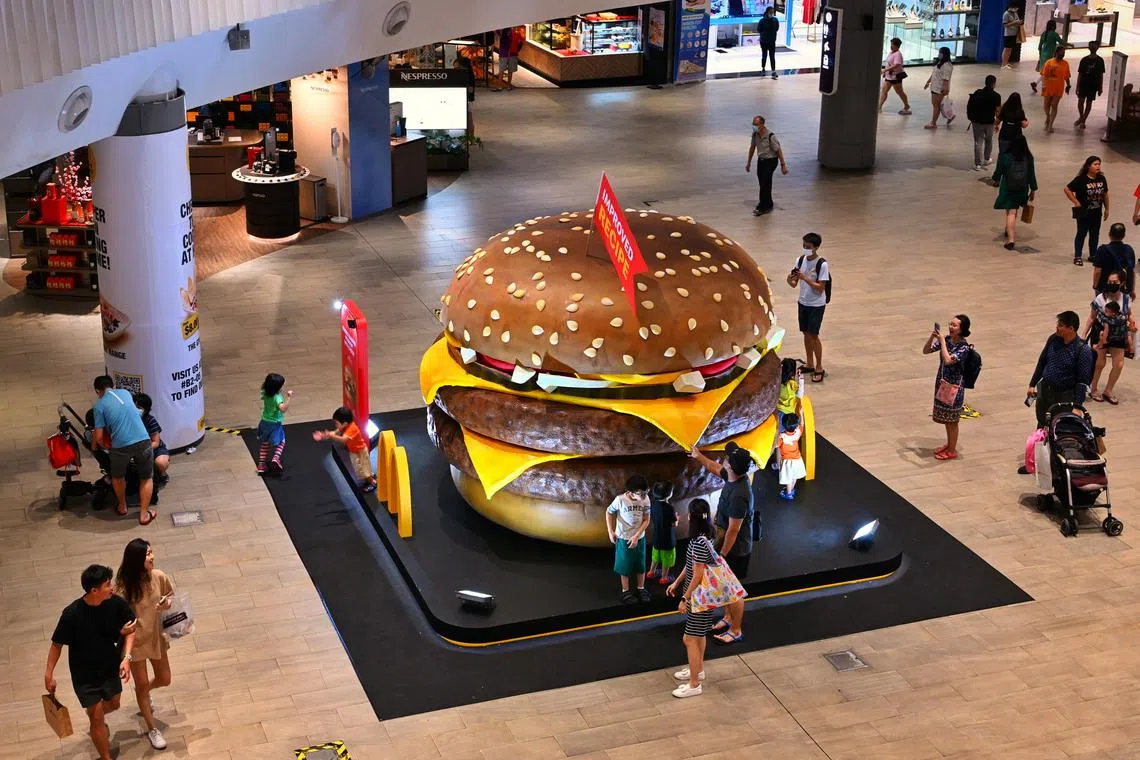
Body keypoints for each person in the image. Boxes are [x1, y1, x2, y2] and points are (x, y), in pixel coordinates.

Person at [45, 565, 137, 760]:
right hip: (83, 673)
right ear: (94, 590)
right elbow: (57, 644)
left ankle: (96, 717)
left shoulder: (115, 604)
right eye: (107, 585)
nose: (112, 588)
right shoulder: (71, 614)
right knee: (96, 717)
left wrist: (127, 659)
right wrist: (49, 673)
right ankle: (106, 756)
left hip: (109, 665)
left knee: (114, 704)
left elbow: (132, 628)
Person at [687, 442, 753, 645]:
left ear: (732, 468)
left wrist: (721, 556)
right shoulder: (733, 478)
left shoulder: (739, 495)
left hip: (735, 549)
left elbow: (733, 530)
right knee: (726, 588)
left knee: (734, 592)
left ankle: (736, 629)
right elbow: (716, 468)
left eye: (727, 460)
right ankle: (727, 617)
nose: (723, 461)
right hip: (724, 544)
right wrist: (698, 456)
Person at [665, 498, 729, 698]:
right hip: (700, 595)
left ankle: (694, 685)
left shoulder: (698, 542)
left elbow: (699, 573)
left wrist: (685, 598)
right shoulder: (704, 537)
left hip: (699, 597)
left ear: (691, 517)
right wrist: (677, 582)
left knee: (689, 639)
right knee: (699, 635)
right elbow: (692, 566)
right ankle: (697, 671)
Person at [114, 539, 173, 750]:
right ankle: (151, 728)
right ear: (137, 559)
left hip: (156, 637)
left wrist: (166, 603)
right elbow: (117, 616)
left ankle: (144, 695)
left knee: (164, 679)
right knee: (141, 685)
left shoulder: (158, 576)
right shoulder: (123, 589)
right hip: (136, 644)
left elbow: (169, 595)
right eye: (148, 553)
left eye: (151, 552)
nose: (152, 556)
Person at [91, 375, 156, 524]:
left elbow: (99, 436)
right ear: (112, 386)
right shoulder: (126, 393)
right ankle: (144, 515)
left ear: (97, 391)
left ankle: (122, 506)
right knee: (146, 477)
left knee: (118, 476)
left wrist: (107, 446)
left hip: (120, 445)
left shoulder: (99, 406)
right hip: (143, 439)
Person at [1024, 311, 1096, 437]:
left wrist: (1078, 406)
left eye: (1061, 325)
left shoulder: (1082, 350)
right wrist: (1032, 384)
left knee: (1060, 429)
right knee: (1042, 424)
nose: (1057, 327)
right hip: (1045, 390)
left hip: (1064, 396)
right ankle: (1041, 450)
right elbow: (1042, 361)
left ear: (1071, 328)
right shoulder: (1053, 339)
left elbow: (1082, 380)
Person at [923, 315, 973, 460]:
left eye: (955, 325)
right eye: (950, 324)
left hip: (954, 387)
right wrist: (932, 338)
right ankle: (949, 445)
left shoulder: (963, 347)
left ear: (962, 329)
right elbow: (926, 351)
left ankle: (952, 450)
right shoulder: (948, 340)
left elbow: (948, 360)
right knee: (946, 420)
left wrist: (942, 342)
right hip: (942, 384)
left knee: (953, 421)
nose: (951, 327)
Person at [787, 232, 830, 382]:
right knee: (805, 333)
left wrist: (805, 278)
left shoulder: (822, 264)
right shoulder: (799, 260)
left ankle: (819, 367)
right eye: (804, 246)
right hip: (803, 302)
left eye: (809, 247)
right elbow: (793, 284)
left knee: (813, 335)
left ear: (816, 247)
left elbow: (820, 287)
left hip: (816, 304)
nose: (805, 249)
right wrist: (791, 279)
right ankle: (809, 363)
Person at [1084, 273, 1133, 403]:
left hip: (1118, 336)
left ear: (1121, 283)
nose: (1111, 284)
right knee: (1100, 363)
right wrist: (1084, 334)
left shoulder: (1126, 299)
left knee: (1119, 364)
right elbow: (1092, 317)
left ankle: (1108, 390)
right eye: (1109, 281)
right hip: (1101, 334)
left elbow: (1129, 315)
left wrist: (1134, 325)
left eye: (1115, 282)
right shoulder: (1101, 298)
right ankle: (1093, 389)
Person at [605, 475, 651, 604]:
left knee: (640, 564)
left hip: (639, 538)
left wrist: (637, 536)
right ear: (630, 492)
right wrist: (610, 531)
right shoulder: (620, 500)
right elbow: (609, 512)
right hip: (624, 537)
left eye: (645, 492)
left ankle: (641, 588)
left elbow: (646, 519)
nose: (643, 496)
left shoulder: (645, 499)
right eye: (640, 494)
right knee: (624, 566)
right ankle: (625, 590)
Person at [313, 407, 377, 492]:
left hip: (360, 451)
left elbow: (343, 439)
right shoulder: (344, 426)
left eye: (337, 423)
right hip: (354, 451)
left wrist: (332, 436)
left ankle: (372, 482)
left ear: (345, 423)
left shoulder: (352, 428)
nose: (336, 425)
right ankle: (368, 477)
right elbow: (335, 432)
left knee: (363, 469)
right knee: (360, 469)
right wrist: (324, 435)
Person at [991, 135, 1037, 250]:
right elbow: (1031, 174)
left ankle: (1011, 240)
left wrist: (995, 178)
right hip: (1022, 188)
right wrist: (1033, 189)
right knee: (1014, 210)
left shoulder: (1005, 157)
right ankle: (1007, 228)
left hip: (1008, 187)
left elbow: (998, 172)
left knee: (1011, 211)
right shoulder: (1028, 157)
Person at [1064, 155, 1110, 266]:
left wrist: (1107, 209)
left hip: (1096, 212)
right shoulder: (1081, 179)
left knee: (1095, 234)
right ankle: (1078, 256)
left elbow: (1105, 195)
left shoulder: (1101, 178)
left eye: (1099, 164)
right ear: (1088, 166)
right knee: (1081, 234)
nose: (1098, 166)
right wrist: (1075, 201)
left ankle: (1093, 255)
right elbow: (1067, 189)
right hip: (1084, 213)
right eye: (1095, 164)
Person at [745, 115, 788, 217]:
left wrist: (783, 165)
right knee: (763, 183)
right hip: (761, 161)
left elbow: (778, 150)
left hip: (771, 161)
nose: (754, 126)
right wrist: (748, 162)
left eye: (756, 124)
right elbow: (752, 148)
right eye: (753, 124)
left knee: (765, 182)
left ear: (762, 125)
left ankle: (762, 206)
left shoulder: (770, 135)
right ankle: (769, 203)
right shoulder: (755, 134)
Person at [256, 373, 293, 474]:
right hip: (274, 424)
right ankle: (276, 458)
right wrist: (289, 397)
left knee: (265, 443)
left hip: (264, 422)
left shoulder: (265, 393)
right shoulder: (277, 398)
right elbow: (283, 409)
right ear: (277, 388)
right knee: (282, 441)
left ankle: (261, 465)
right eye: (281, 386)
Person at [133, 393, 170, 486]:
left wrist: (142, 450)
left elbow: (156, 443)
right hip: (135, 450)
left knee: (161, 462)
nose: (136, 409)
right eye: (134, 406)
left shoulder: (150, 420)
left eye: (139, 407)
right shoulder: (129, 420)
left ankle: (162, 473)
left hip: (153, 449)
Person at [646, 480, 678, 585]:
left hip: (656, 537)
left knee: (655, 556)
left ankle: (651, 572)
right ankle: (664, 578)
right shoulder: (670, 508)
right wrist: (677, 518)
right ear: (669, 494)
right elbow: (674, 524)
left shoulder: (653, 505)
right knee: (667, 559)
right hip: (668, 539)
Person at [967, 75, 1001, 170]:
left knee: (978, 142)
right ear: (993, 84)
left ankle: (977, 164)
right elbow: (998, 111)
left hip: (976, 122)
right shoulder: (996, 96)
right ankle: (986, 159)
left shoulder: (977, 93)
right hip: (989, 122)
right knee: (989, 140)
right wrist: (997, 124)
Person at [1092, 223, 1136, 297]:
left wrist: (1095, 286)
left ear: (1110, 234)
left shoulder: (1102, 250)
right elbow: (1131, 271)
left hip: (1105, 288)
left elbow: (1098, 271)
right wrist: (1132, 289)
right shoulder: (1129, 249)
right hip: (1123, 288)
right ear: (1123, 235)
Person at [1075, 41, 1106, 129]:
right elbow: (1080, 74)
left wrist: (1100, 88)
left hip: (1093, 85)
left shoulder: (1100, 60)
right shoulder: (1084, 60)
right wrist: (1077, 86)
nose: (1093, 48)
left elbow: (1101, 75)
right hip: (1083, 84)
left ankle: (1083, 120)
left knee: (1089, 102)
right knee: (1080, 101)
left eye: (1094, 47)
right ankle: (1081, 116)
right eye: (1091, 46)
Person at [1040, 46, 1071, 133]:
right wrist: (1043, 85)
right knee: (1046, 105)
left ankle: (1050, 125)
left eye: (1064, 53)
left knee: (1054, 105)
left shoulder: (1065, 64)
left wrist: (1068, 86)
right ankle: (1048, 117)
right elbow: (1043, 75)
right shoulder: (1049, 62)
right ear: (1057, 52)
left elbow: (1067, 77)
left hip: (1058, 88)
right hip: (1048, 87)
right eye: (1061, 52)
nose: (1063, 54)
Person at [776, 413, 806, 498]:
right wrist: (800, 413)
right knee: (794, 476)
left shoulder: (781, 437)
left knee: (788, 478)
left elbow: (776, 445)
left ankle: (788, 493)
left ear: (783, 424)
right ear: (796, 426)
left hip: (787, 462)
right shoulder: (797, 433)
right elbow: (802, 424)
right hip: (797, 460)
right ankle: (792, 489)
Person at [879, 38, 912, 115]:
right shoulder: (891, 52)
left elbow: (897, 64)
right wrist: (885, 72)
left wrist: (885, 70)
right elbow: (888, 63)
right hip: (889, 76)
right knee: (884, 91)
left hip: (895, 77)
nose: (891, 46)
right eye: (891, 44)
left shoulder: (898, 54)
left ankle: (906, 106)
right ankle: (879, 107)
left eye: (892, 45)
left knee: (899, 92)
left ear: (896, 46)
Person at [924, 47, 954, 129]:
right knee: (938, 105)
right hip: (934, 87)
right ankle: (950, 116)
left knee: (936, 106)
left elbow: (946, 79)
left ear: (944, 54)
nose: (939, 54)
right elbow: (934, 73)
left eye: (940, 53)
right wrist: (928, 82)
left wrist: (945, 89)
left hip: (939, 89)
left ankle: (933, 123)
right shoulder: (939, 62)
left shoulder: (947, 65)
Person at [1031, 19, 1063, 94]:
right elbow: (1061, 42)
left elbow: (1039, 46)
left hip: (1043, 54)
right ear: (1053, 26)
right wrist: (1069, 44)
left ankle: (1036, 83)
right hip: (1050, 55)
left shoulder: (1044, 34)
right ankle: (1043, 88)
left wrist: (1040, 56)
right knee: (1046, 73)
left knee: (1044, 72)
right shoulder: (1054, 34)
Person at [996, 92, 1029, 156]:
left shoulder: (1004, 109)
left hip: (1004, 135)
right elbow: (1024, 125)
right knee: (1015, 157)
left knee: (1003, 155)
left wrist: (996, 125)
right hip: (1016, 137)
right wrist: (1027, 122)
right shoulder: (1020, 112)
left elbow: (997, 121)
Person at [495, 26, 524, 90]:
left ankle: (500, 86)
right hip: (513, 54)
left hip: (504, 53)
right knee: (510, 70)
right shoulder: (516, 33)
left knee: (501, 70)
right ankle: (508, 86)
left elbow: (496, 30)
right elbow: (521, 43)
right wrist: (516, 51)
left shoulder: (502, 31)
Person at [758, 7, 780, 79]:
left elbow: (777, 28)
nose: (771, 14)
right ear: (767, 12)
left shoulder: (775, 20)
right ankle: (763, 69)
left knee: (772, 56)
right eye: (770, 12)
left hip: (772, 41)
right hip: (764, 41)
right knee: (764, 56)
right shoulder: (762, 21)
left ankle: (773, 71)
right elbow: (759, 29)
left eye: (772, 12)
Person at [1001, 2, 1022, 69]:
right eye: (1015, 8)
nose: (1016, 9)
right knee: (1007, 48)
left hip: (1014, 33)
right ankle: (1003, 64)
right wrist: (1014, 22)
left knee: (1010, 49)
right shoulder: (1006, 14)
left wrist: (1019, 22)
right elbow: (1005, 25)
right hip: (1008, 34)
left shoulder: (1015, 13)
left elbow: (1017, 20)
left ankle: (1006, 62)